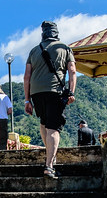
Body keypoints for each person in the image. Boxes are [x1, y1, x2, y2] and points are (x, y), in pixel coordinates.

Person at [23, 21, 76, 178]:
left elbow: (27, 76)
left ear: (43, 33)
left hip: (36, 93)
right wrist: (71, 92)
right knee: (53, 127)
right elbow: (72, 71)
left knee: (44, 124)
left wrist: (27, 100)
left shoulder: (34, 51)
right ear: (56, 33)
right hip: (55, 92)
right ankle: (49, 166)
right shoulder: (65, 48)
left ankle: (50, 156)